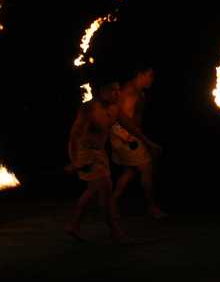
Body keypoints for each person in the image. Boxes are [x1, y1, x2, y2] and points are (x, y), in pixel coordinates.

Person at [65, 79, 161, 243]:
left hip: (99, 153)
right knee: (105, 190)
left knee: (94, 191)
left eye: (117, 89)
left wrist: (148, 142)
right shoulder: (89, 108)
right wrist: (74, 160)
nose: (117, 93)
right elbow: (75, 135)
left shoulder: (115, 108)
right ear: (101, 91)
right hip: (85, 152)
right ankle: (115, 232)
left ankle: (74, 226)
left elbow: (130, 126)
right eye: (112, 90)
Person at [111, 65, 166, 219]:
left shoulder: (137, 91)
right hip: (125, 136)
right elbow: (123, 120)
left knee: (130, 171)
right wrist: (146, 141)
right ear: (140, 74)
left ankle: (111, 202)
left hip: (125, 135)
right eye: (150, 75)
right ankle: (151, 207)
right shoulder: (130, 92)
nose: (152, 79)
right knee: (147, 168)